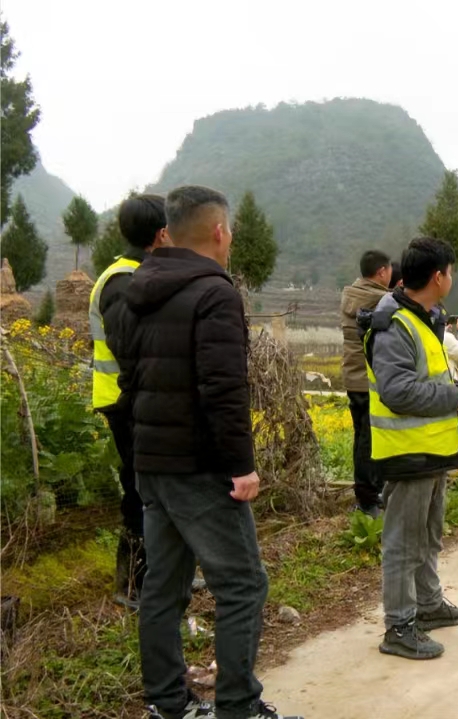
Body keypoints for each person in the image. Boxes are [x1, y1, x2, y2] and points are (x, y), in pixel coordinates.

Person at [112, 185, 301, 719]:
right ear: (219, 231)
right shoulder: (214, 292)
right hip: (199, 467)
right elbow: (223, 389)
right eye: (231, 229)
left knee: (163, 588)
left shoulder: (138, 288)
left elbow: (133, 378)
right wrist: (241, 466)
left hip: (152, 463)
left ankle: (166, 704)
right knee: (243, 585)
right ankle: (238, 706)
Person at [364, 237, 458, 660]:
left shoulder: (424, 317)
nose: (452, 277)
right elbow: (397, 391)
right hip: (408, 453)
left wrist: (457, 393)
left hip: (430, 450)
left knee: (428, 534)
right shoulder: (395, 325)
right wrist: (455, 396)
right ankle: (399, 625)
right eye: (451, 271)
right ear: (438, 276)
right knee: (403, 542)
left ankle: (428, 605)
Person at [89, 194, 168, 610]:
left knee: (152, 489)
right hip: (124, 402)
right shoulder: (123, 281)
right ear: (161, 233)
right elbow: (129, 348)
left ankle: (159, 575)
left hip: (134, 399)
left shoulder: (137, 274)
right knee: (138, 491)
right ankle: (133, 585)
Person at [339, 250, 393, 515]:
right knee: (368, 441)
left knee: (361, 437)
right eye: (389, 271)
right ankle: (368, 498)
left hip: (352, 375)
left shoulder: (351, 293)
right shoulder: (379, 299)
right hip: (367, 378)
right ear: (382, 272)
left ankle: (366, 495)